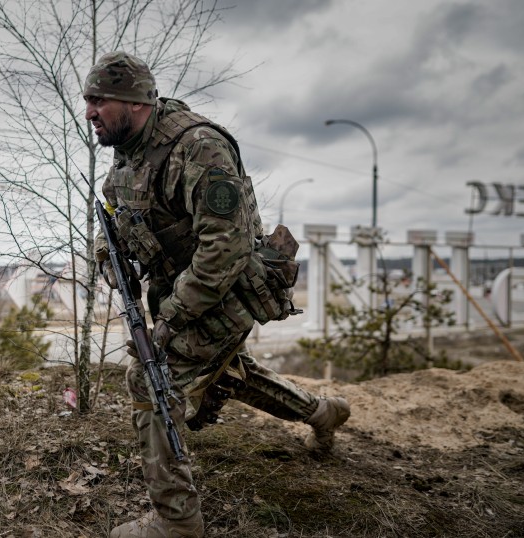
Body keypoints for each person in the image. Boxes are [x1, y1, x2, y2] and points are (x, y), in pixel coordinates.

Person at [84, 51, 351, 538]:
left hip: (226, 289)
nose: (88, 113)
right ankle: (323, 412)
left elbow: (223, 253)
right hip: (186, 288)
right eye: (88, 100)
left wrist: (168, 320)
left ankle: (176, 522)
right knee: (229, 373)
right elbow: (112, 208)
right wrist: (108, 254)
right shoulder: (129, 149)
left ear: (133, 101)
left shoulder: (198, 147)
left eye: (98, 100)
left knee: (150, 379)